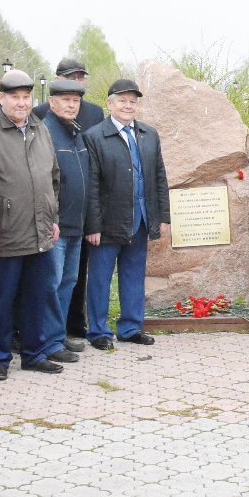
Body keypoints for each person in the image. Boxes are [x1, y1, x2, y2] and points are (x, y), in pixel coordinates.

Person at [0, 70, 66, 379]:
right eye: (15, 97)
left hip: (40, 231)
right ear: (1, 98)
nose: (22, 103)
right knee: (1, 300)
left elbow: (53, 178)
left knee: (37, 296)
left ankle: (34, 353)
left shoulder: (41, 129)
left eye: (27, 97)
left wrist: (52, 218)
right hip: (5, 233)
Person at [84, 79, 170, 351]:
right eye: (122, 100)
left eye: (133, 101)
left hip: (140, 221)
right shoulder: (95, 136)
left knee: (133, 277)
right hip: (107, 224)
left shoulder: (148, 134)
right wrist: (93, 224)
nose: (128, 106)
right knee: (99, 279)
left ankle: (131, 327)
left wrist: (163, 217)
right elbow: (92, 185)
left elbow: (159, 177)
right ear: (109, 104)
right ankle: (98, 330)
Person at [41, 78, 91, 355]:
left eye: (76, 100)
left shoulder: (75, 132)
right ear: (52, 102)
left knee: (68, 282)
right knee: (51, 283)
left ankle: (57, 336)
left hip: (76, 225)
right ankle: (46, 341)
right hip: (55, 226)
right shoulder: (45, 131)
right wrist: (50, 219)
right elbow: (43, 182)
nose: (72, 105)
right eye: (66, 100)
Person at [33, 57, 106, 131]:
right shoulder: (39, 113)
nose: (76, 81)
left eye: (81, 77)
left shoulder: (95, 112)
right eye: (71, 77)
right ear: (57, 80)